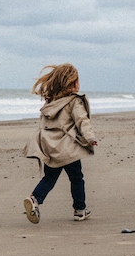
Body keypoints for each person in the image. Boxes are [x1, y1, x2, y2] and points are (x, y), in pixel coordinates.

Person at [22, 64, 98, 223]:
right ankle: (80, 209)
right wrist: (90, 137)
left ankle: (35, 199)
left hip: (50, 146)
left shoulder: (50, 102)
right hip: (68, 148)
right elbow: (82, 120)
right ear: (72, 82)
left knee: (49, 177)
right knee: (77, 178)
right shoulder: (73, 101)